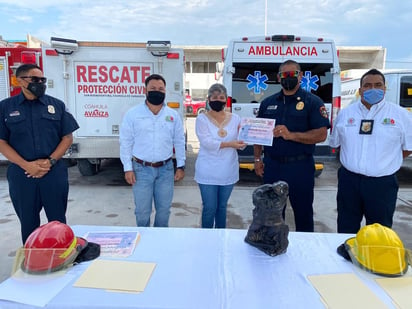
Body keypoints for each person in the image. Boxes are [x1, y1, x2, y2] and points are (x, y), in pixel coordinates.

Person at [0, 64, 79, 244]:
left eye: (42, 80)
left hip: (53, 172)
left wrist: (50, 162)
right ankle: (33, 264)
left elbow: (67, 138)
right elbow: (1, 142)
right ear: (20, 81)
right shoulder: (5, 107)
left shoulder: (56, 105)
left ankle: (60, 259)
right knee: (28, 223)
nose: (40, 83)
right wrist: (26, 165)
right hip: (23, 174)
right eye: (35, 80)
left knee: (58, 222)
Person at [329, 68, 412, 234]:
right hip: (349, 182)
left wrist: (384, 162)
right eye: (367, 85)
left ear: (384, 88)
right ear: (360, 90)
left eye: (378, 85)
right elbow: (336, 143)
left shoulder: (401, 115)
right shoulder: (346, 114)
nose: (373, 89)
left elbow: (408, 148)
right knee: (346, 227)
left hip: (382, 184)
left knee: (379, 232)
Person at [253, 59, 330, 232]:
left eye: (292, 74)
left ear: (300, 76)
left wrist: (291, 135)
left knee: (303, 214)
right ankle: (273, 248)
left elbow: (321, 134)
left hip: (300, 167)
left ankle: (305, 252)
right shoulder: (267, 103)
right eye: (284, 75)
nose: (287, 78)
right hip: (272, 166)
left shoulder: (313, 102)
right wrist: (258, 159)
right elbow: (258, 133)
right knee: (270, 214)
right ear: (279, 78)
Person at [119, 73, 186, 227]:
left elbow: (179, 141)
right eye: (153, 88)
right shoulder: (133, 114)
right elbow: (125, 143)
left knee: (164, 211)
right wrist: (127, 168)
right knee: (142, 211)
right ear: (145, 91)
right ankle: (144, 243)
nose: (157, 91)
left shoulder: (173, 115)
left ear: (165, 91)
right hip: (141, 170)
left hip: (166, 170)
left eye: (161, 89)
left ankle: (159, 244)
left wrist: (181, 166)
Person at [194, 83, 246, 228]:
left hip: (228, 169)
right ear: (208, 99)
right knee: (210, 208)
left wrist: (247, 139)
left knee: (222, 207)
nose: (218, 100)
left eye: (221, 97)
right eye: (214, 97)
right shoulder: (202, 119)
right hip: (207, 170)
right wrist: (231, 144)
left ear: (226, 100)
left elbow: (241, 140)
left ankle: (221, 238)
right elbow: (206, 142)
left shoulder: (236, 118)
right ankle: (206, 239)